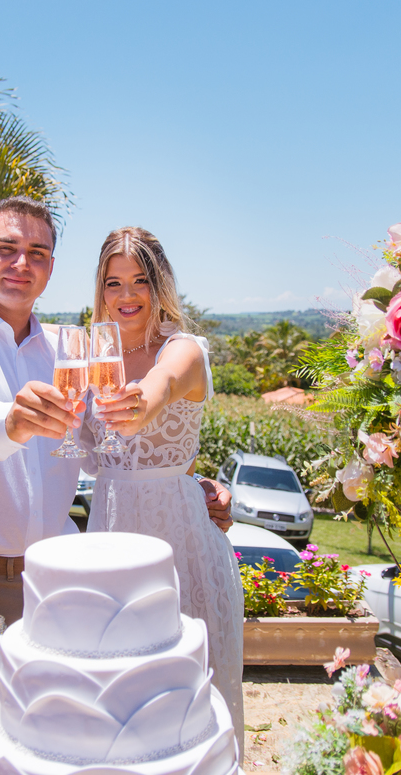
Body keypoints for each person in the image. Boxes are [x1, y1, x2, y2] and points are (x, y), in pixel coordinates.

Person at [0, 197, 233, 762]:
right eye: (6, 248)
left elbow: (110, 445)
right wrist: (8, 419)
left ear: (51, 269)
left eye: (38, 253)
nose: (21, 264)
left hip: (63, 590)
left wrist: (194, 485)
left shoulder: (70, 347)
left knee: (64, 751)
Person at [84, 226, 246, 740]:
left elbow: (165, 383)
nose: (127, 295)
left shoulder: (185, 350)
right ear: (100, 289)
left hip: (179, 548)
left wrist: (140, 403)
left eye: (140, 281)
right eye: (114, 282)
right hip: (106, 539)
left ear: (161, 286)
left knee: (188, 713)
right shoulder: (86, 354)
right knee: (115, 708)